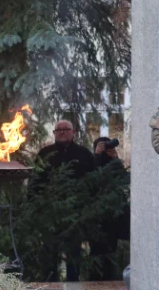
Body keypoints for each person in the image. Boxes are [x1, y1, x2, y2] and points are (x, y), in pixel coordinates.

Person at [30, 120, 96, 282]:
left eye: (66, 129)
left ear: (73, 132)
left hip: (76, 212)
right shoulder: (45, 153)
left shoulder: (84, 154)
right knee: (50, 254)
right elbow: (35, 182)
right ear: (54, 133)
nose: (62, 132)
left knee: (74, 254)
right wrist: (35, 206)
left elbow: (93, 180)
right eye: (58, 130)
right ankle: (50, 284)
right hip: (49, 213)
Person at [88, 137, 129, 281]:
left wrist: (116, 159)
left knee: (111, 252)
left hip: (113, 216)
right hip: (96, 216)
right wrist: (97, 156)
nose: (106, 149)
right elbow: (91, 180)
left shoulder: (113, 162)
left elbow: (124, 180)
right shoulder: (93, 161)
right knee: (96, 253)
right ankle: (94, 282)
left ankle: (109, 281)